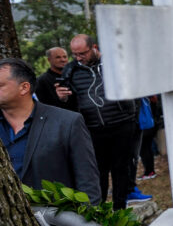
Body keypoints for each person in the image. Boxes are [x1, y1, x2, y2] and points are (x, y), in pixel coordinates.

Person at [0, 58, 101, 204]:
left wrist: (86, 221)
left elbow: (87, 179)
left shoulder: (68, 122)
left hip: (56, 221)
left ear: (24, 87)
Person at [58, 34, 138, 209]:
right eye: (75, 54)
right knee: (98, 170)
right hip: (93, 128)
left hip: (122, 122)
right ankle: (99, 209)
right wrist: (62, 98)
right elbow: (69, 102)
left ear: (94, 47)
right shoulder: (70, 70)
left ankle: (119, 208)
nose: (79, 58)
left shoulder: (113, 62)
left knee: (121, 168)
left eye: (83, 53)